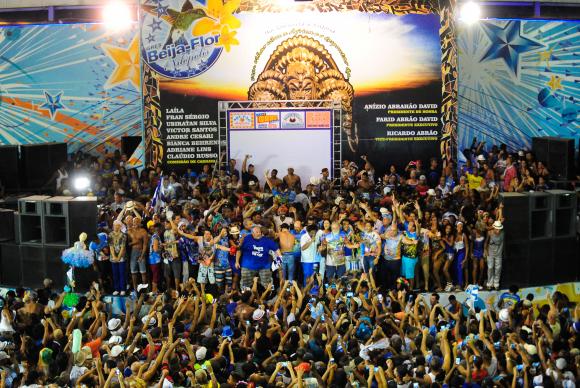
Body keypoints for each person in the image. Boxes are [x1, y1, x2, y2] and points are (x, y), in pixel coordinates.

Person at [127, 216, 148, 291]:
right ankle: (135, 289)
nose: (135, 222)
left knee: (143, 272)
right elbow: (127, 244)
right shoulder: (129, 231)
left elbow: (145, 244)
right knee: (133, 272)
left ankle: (144, 289)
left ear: (140, 223)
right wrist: (134, 242)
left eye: (137, 221)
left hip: (141, 252)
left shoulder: (143, 231)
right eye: (134, 221)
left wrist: (142, 255)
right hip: (133, 253)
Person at [108, 220, 127, 295]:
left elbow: (123, 247)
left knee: (122, 273)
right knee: (115, 273)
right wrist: (114, 257)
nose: (115, 226)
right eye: (114, 225)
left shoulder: (123, 235)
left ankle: (123, 289)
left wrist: (118, 257)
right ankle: (116, 289)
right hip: (113, 257)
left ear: (120, 226)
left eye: (117, 225)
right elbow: (111, 246)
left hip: (121, 257)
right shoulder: (110, 235)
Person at [485, 220, 504, 290]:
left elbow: (503, 243)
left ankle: (496, 284)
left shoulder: (502, 233)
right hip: (490, 253)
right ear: (494, 228)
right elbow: (486, 243)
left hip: (498, 254)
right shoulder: (489, 233)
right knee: (490, 268)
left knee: (498, 268)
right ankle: (489, 284)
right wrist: (486, 251)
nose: (498, 230)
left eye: (499, 229)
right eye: (497, 228)